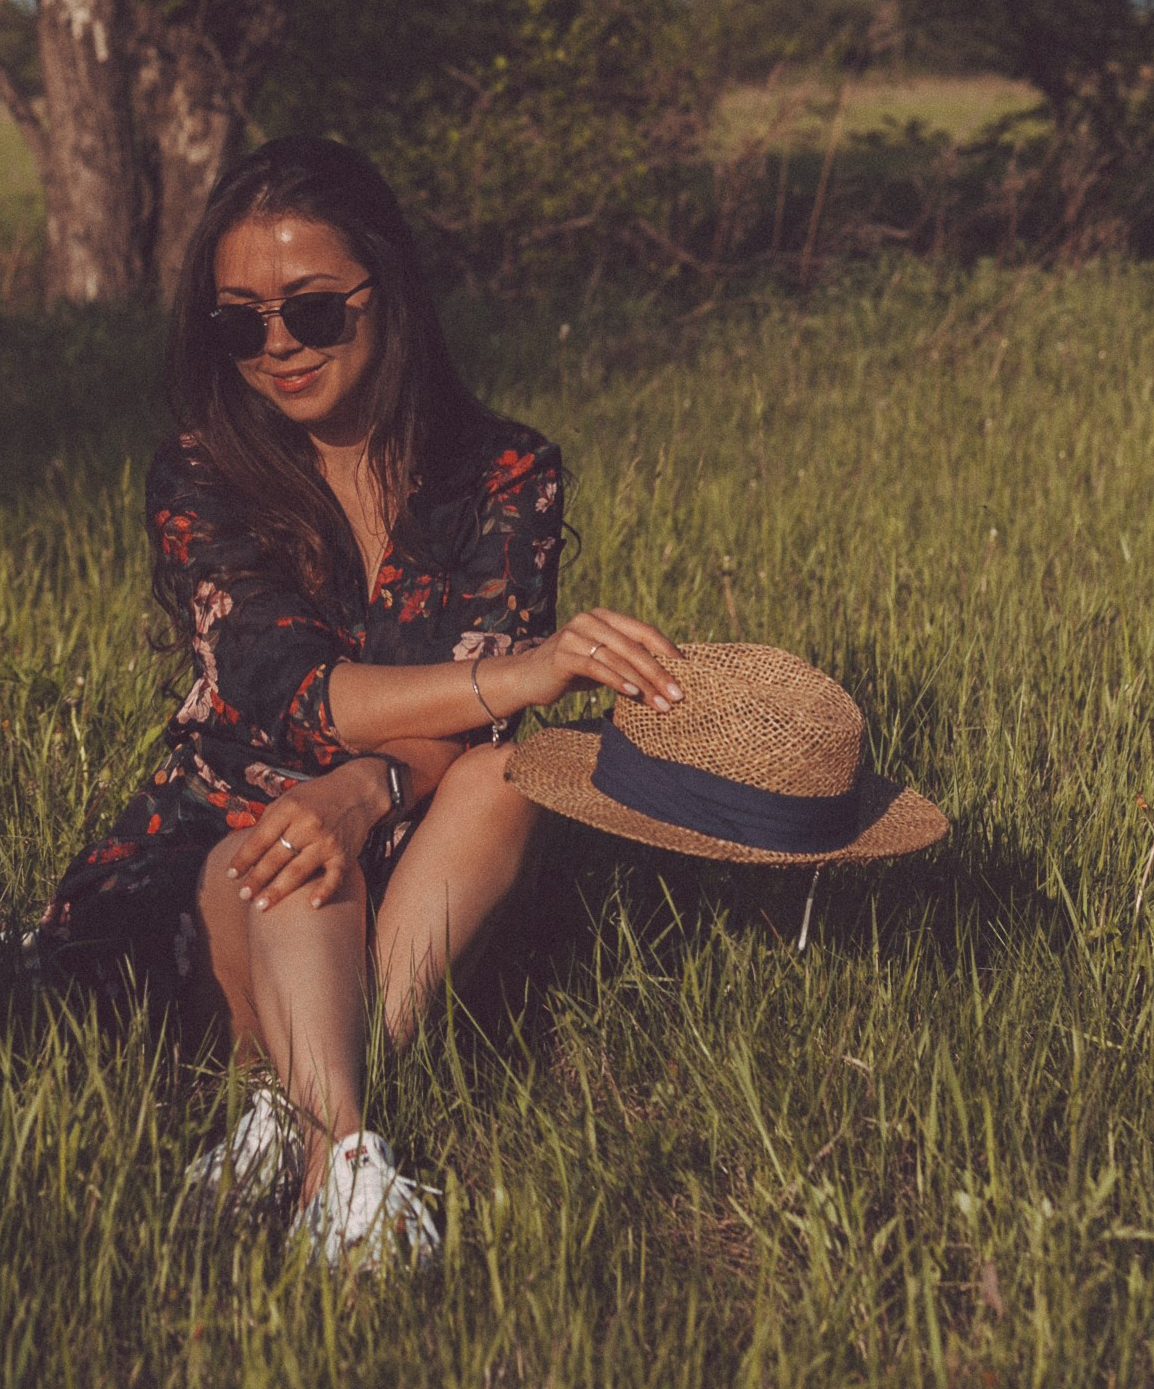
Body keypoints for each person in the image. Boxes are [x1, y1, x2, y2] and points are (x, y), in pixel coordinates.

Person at [36, 136, 681, 1270]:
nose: (277, 347)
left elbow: (466, 735)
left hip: (412, 827)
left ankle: (286, 1115)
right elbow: (283, 692)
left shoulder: (507, 470)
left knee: (509, 773)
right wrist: (519, 676)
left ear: (389, 293)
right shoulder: (199, 473)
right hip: (218, 841)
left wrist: (369, 786)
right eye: (239, 322)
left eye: (314, 310)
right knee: (288, 835)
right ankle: (342, 1150)